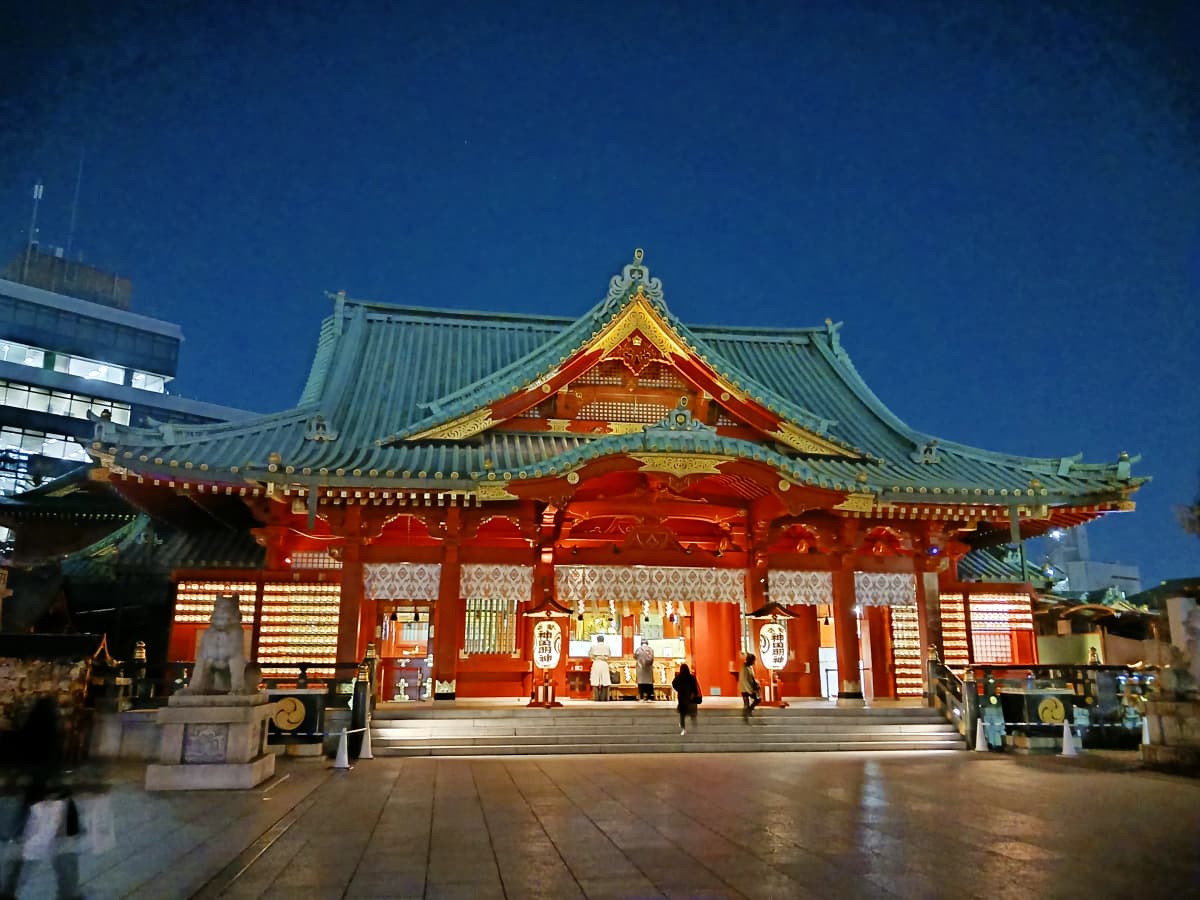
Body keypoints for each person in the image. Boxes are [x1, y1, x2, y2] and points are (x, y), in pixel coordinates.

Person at [0, 696, 82, 900]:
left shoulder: (23, 738)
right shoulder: (53, 738)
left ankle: (8, 891)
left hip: (31, 802)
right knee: (64, 853)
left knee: (24, 852)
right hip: (55, 802)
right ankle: (68, 893)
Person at [671, 664, 701, 735]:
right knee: (692, 712)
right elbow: (695, 687)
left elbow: (674, 683)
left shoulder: (679, 677)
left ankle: (683, 728)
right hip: (690, 698)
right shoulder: (691, 677)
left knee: (682, 714)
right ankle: (694, 723)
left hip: (682, 698)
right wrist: (695, 693)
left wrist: (678, 690)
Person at [738, 653, 760, 723]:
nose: (754, 662)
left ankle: (748, 713)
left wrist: (755, 683)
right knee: (750, 702)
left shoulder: (749, 667)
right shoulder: (744, 668)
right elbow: (745, 680)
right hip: (745, 688)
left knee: (755, 700)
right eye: (753, 660)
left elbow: (752, 678)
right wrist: (752, 689)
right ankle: (746, 716)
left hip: (747, 688)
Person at [588, 634, 611, 702]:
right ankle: (604, 698)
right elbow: (609, 655)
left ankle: (596, 698)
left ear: (597, 640)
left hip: (596, 663)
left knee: (595, 681)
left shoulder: (593, 647)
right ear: (603, 640)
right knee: (605, 681)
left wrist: (594, 658)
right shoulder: (607, 647)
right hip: (604, 663)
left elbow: (590, 654)